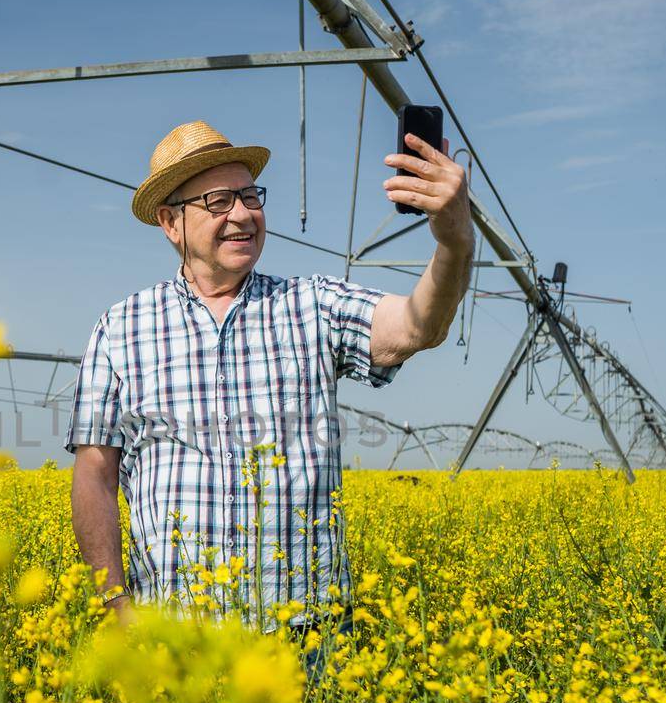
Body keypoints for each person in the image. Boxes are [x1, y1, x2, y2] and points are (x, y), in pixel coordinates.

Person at [65, 119, 473, 630]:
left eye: (250, 196)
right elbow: (94, 475)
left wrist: (454, 241)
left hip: (306, 635)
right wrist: (113, 605)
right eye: (218, 202)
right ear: (171, 222)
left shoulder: (313, 305)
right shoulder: (120, 328)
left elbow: (419, 325)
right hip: (175, 639)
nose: (242, 214)